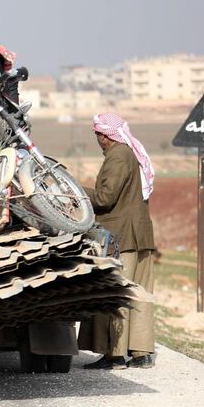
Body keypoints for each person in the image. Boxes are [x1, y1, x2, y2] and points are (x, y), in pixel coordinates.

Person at [78, 113, 156, 369]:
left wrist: (76, 191)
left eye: (98, 135)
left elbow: (104, 199)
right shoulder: (128, 153)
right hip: (139, 235)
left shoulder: (118, 155)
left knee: (116, 293)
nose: (98, 140)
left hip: (123, 237)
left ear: (106, 136)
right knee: (139, 294)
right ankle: (141, 353)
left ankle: (115, 354)